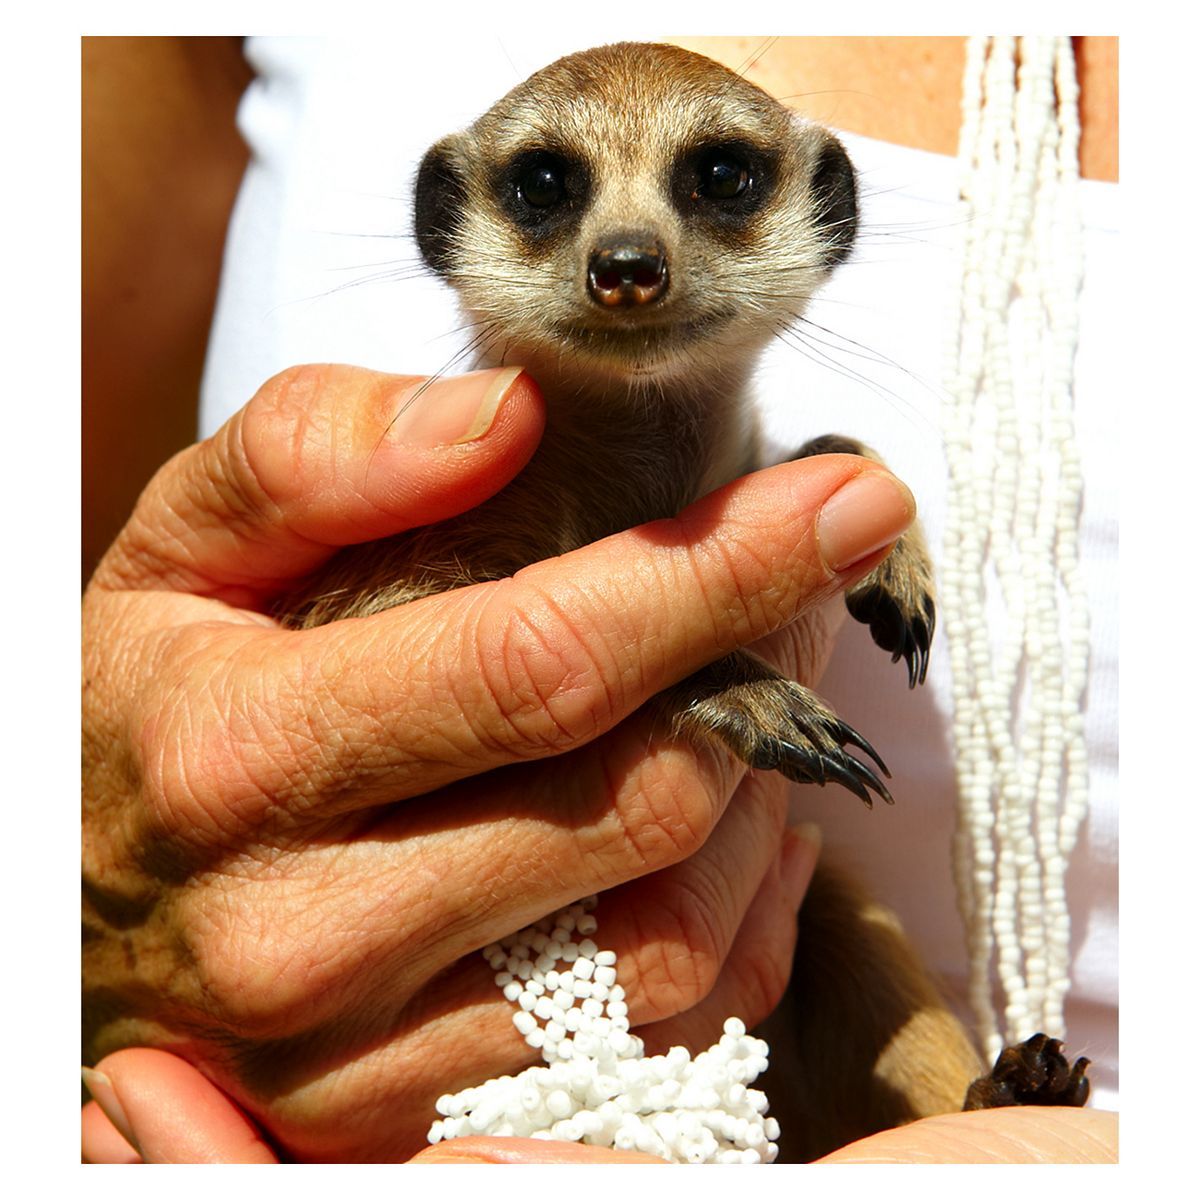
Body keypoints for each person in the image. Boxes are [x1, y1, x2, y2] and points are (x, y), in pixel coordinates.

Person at [82, 35, 1118, 1164]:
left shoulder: (812, 482)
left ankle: (979, 1109)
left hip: (827, 1083)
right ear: (448, 225)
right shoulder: (432, 512)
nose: (629, 251)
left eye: (718, 181)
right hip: (384, 1104)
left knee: (841, 927)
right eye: (546, 189)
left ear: (826, 212)